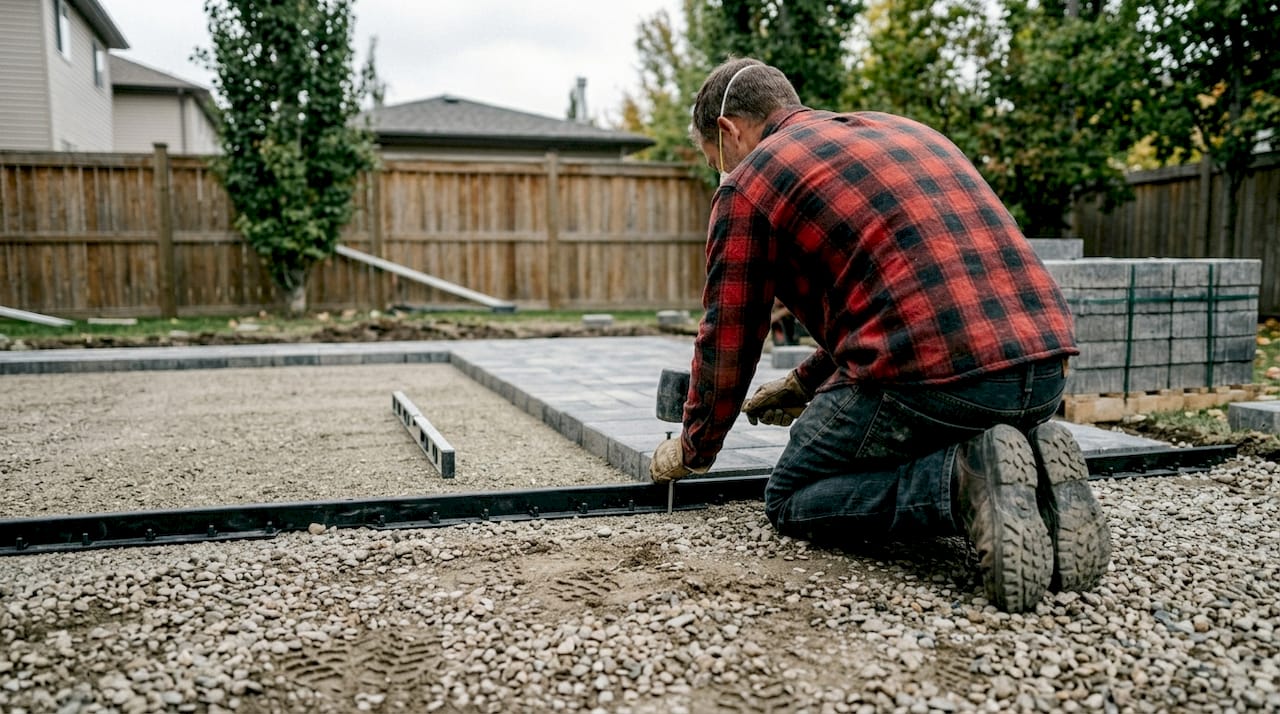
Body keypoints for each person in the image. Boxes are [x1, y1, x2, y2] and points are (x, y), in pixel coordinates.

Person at [648, 57, 1110, 613]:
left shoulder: (748, 184)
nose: (718, 173)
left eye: (711, 160)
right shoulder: (907, 132)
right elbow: (906, 291)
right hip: (1043, 372)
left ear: (728, 130)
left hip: (937, 380)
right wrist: (801, 384)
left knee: (791, 495)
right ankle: (1032, 465)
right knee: (949, 422)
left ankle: (965, 482)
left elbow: (729, 335)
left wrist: (694, 449)